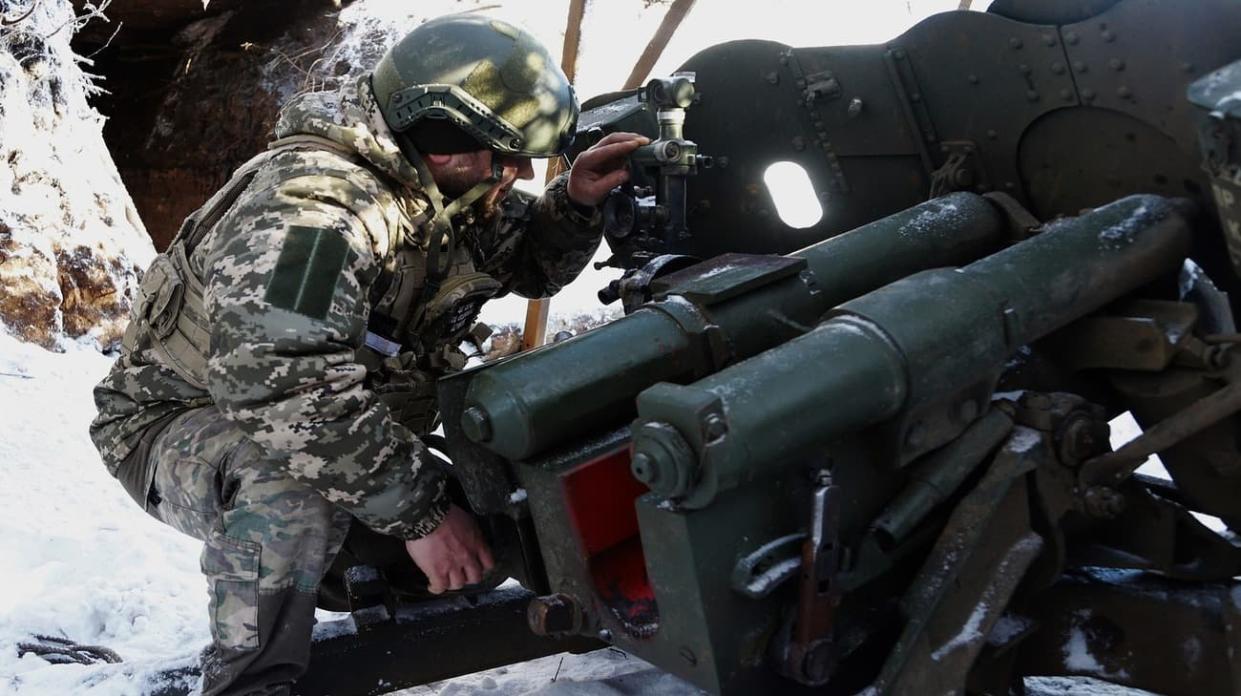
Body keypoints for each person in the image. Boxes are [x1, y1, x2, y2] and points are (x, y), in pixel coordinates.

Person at [89, 14, 647, 695]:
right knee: (289, 493)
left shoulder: (438, 184)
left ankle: (356, 566)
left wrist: (577, 201)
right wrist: (421, 515)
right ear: (441, 139)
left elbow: (528, 262)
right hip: (177, 421)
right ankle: (249, 679)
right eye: (504, 156)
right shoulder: (311, 214)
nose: (517, 174)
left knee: (491, 511)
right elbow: (280, 387)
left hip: (321, 416)